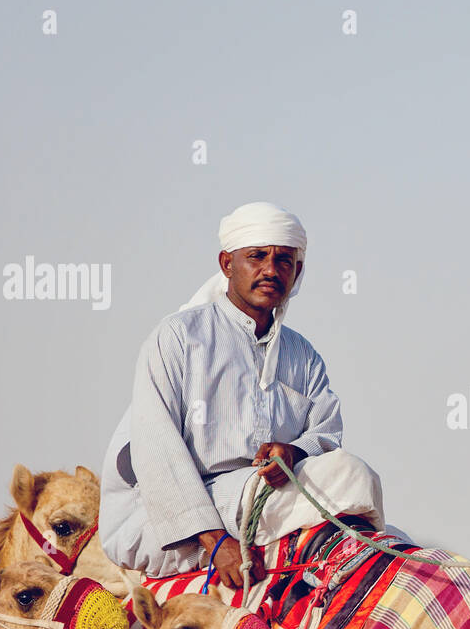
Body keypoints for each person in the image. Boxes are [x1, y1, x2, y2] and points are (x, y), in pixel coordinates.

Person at [99, 202, 384, 588]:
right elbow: (157, 453)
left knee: (358, 482)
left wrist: (295, 451)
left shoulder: (302, 355)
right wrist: (217, 544)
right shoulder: (179, 338)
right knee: (347, 476)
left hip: (260, 497)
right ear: (226, 263)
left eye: (284, 260)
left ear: (297, 271)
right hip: (166, 520)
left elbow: (327, 432)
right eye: (257, 257)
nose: (271, 270)